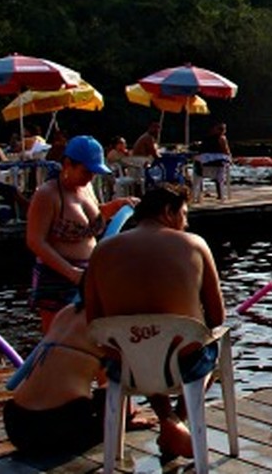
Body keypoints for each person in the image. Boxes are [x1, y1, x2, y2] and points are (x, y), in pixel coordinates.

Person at [84, 184, 225, 459]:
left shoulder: (102, 251)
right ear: (168, 212)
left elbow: (93, 321)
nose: (185, 223)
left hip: (127, 367)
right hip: (183, 364)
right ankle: (177, 421)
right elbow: (217, 318)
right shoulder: (195, 245)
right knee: (208, 348)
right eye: (184, 214)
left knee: (141, 349)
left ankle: (168, 419)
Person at [25, 135, 137, 332]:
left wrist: (116, 206)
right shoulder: (47, 194)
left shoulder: (86, 188)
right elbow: (35, 240)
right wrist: (71, 272)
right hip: (58, 278)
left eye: (94, 172)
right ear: (68, 164)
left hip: (88, 274)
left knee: (93, 338)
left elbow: (91, 218)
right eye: (86, 171)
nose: (91, 177)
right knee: (59, 340)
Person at [2, 294, 107, 454]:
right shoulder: (109, 321)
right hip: (60, 425)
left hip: (16, 423)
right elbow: (113, 384)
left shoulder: (66, 312)